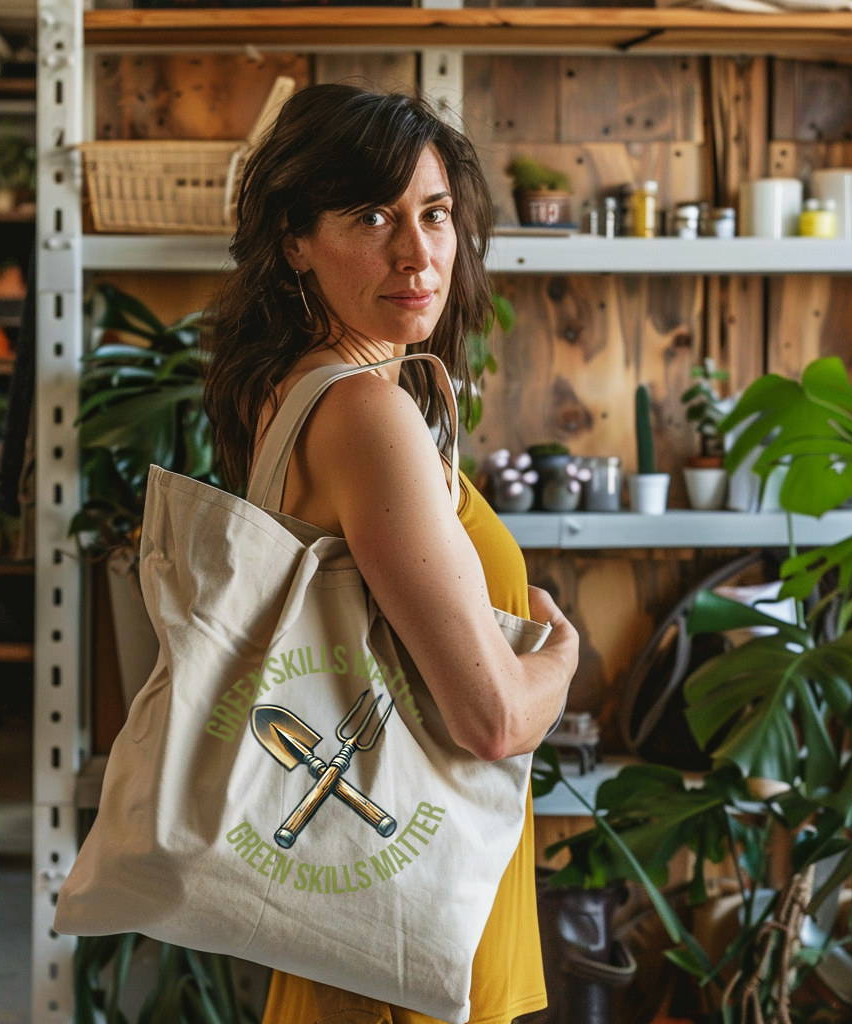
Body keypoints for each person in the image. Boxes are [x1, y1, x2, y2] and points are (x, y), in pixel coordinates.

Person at [205, 85, 579, 1024]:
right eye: (372, 216)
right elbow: (492, 719)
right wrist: (560, 665)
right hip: (411, 922)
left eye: (436, 214)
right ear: (294, 239)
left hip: (368, 887)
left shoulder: (299, 389)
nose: (418, 253)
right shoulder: (367, 412)